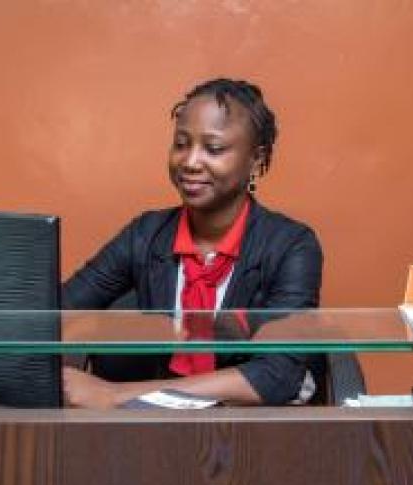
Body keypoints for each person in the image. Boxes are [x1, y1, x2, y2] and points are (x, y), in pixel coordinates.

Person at [63, 78, 323, 408]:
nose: (190, 161)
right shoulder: (146, 234)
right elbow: (58, 309)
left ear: (256, 160)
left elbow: (276, 377)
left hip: (250, 428)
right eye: (181, 144)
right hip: (152, 425)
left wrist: (116, 394)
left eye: (213, 149)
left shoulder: (291, 246)